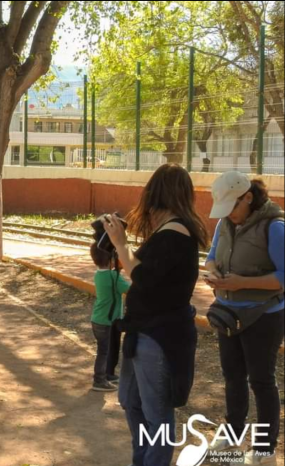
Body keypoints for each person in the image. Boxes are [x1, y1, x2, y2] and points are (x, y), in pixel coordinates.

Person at [102, 163, 208, 466]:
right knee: (131, 402)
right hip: (145, 333)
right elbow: (143, 272)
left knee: (158, 416)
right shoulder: (167, 231)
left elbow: (143, 276)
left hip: (161, 338)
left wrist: (121, 245)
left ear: (157, 193)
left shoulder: (176, 233)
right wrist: (117, 244)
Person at [204, 172, 284, 465]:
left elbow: (283, 277)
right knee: (232, 375)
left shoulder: (274, 227)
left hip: (264, 316)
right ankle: (233, 431)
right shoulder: (225, 223)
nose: (229, 215)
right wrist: (214, 272)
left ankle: (264, 447)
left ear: (247, 198)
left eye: (232, 208)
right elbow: (211, 255)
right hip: (229, 312)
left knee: (261, 380)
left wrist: (242, 284)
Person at [88, 243, 130, 392]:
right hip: (104, 320)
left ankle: (106, 374)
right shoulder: (113, 276)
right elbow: (128, 289)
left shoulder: (99, 274)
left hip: (98, 318)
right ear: (111, 258)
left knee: (104, 349)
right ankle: (99, 380)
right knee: (103, 351)